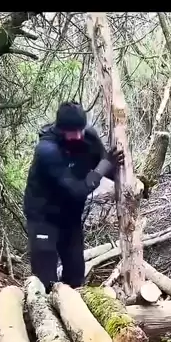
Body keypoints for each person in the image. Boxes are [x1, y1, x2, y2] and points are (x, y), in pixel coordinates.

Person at [23, 101, 124, 291]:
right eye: (72, 132)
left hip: (70, 216)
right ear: (60, 129)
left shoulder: (88, 137)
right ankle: (43, 306)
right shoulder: (47, 150)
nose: (78, 136)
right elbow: (78, 189)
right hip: (43, 217)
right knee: (45, 279)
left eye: (80, 130)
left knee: (76, 274)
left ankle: (72, 305)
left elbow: (106, 165)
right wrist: (104, 165)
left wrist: (131, 181)